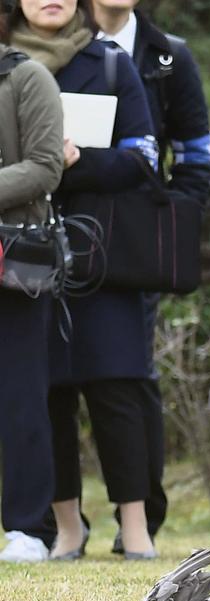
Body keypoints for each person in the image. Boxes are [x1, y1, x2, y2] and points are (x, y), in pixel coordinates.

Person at [10, 0, 161, 559]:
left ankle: (136, 524)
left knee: (117, 387)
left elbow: (146, 154)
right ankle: (66, 526)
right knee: (43, 391)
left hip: (104, 252)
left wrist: (80, 162)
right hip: (22, 255)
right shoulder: (8, 65)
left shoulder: (111, 62)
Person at [92, 0, 210, 554]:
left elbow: (194, 153)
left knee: (131, 374)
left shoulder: (171, 56)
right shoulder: (57, 45)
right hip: (61, 226)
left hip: (135, 241)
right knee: (51, 379)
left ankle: (141, 520)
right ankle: (49, 523)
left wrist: (175, 215)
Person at [0, 8, 64, 563]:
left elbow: (45, 166)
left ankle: (27, 529)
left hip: (12, 259)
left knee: (21, 394)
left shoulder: (26, 77)